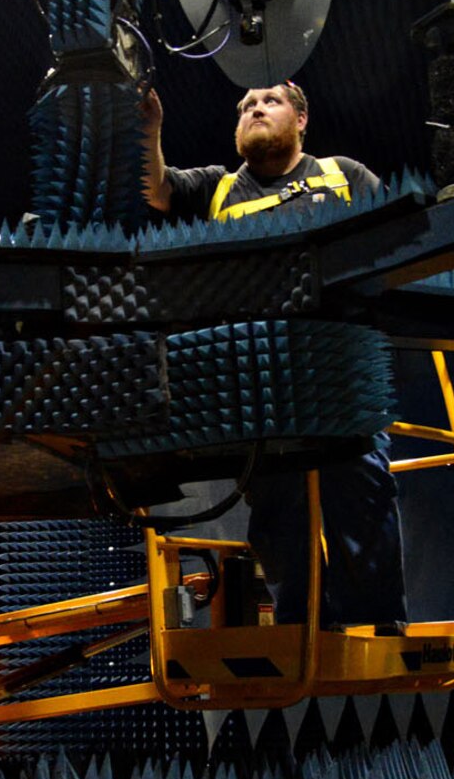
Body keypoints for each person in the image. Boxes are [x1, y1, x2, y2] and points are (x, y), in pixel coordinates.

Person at [141, 81, 409, 630]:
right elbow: (157, 189)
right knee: (279, 520)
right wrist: (150, 128)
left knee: (362, 496)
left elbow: (397, 244)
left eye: (270, 101)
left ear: (302, 119)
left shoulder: (344, 176)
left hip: (338, 382)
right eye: (244, 106)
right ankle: (299, 624)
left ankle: (374, 620)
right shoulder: (218, 188)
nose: (254, 108)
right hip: (261, 392)